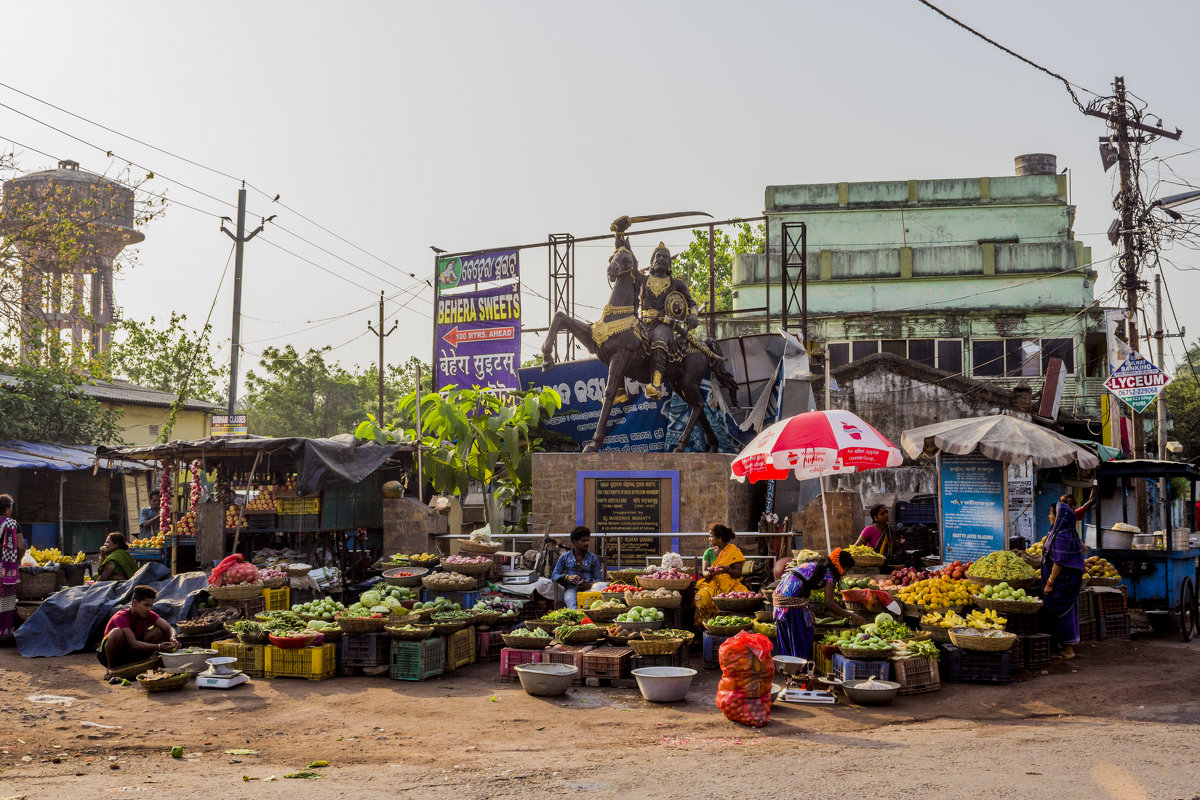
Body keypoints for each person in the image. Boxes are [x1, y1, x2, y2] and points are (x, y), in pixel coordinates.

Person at [772, 548, 864, 661]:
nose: (845, 573)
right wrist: (851, 615)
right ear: (842, 566)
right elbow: (829, 603)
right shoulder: (830, 573)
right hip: (791, 605)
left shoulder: (818, 564)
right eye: (846, 570)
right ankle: (800, 671)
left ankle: (788, 672)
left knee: (788, 644)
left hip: (781, 599)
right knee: (802, 639)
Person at [638, 242, 699, 399]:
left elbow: (692, 304)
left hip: (665, 325)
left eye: (665, 257)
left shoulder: (677, 283)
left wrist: (693, 314)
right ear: (652, 261)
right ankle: (619, 389)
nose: (661, 259)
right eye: (658, 256)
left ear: (669, 263)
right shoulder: (643, 280)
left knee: (660, 338)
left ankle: (656, 385)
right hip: (643, 324)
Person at [1040, 488, 1096, 660]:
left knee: (1063, 613)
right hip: (1065, 580)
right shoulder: (1063, 531)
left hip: (1063, 582)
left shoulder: (1063, 534)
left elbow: (1060, 561)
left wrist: (1050, 582)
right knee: (1062, 613)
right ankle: (1063, 645)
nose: (1049, 517)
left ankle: (1068, 649)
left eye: (1051, 514)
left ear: (1057, 517)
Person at [96, 584, 178, 674]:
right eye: (146, 605)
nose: (149, 609)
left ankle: (142, 662)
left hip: (130, 653)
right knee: (116, 632)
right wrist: (158, 647)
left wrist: (173, 637)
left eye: (151, 606)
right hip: (109, 655)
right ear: (135, 603)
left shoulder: (148, 614)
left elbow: (169, 628)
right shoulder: (121, 616)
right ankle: (111, 668)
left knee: (158, 631)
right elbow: (133, 643)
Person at [694, 524, 750, 625]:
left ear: (719, 538)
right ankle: (702, 627)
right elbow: (704, 573)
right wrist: (710, 573)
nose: (709, 539)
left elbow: (738, 573)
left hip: (731, 585)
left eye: (711, 536)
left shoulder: (733, 551)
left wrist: (727, 570)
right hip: (712, 584)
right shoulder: (708, 552)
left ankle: (734, 627)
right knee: (700, 598)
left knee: (744, 599)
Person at [551, 526, 604, 609]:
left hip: (589, 590)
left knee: (591, 606)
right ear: (575, 542)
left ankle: (588, 620)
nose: (587, 543)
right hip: (571, 589)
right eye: (583, 541)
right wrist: (567, 577)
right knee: (571, 602)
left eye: (587, 540)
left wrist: (589, 585)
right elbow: (554, 576)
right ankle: (578, 619)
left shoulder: (593, 558)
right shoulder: (564, 557)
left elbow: (599, 579)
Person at [0, 494, 27, 647]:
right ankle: (3, 636)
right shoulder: (12, 523)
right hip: (4, 570)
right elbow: (21, 546)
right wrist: (16, 560)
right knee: (5, 602)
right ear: (8, 509)